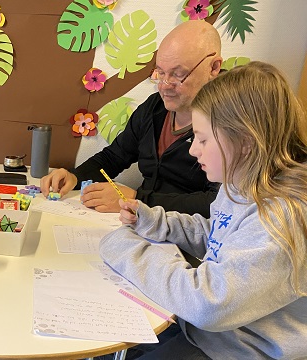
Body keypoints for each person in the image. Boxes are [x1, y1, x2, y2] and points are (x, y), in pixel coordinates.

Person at [99, 61, 307, 359]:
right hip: (208, 332)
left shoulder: (283, 215)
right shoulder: (240, 182)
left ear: (245, 141)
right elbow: (219, 234)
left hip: (241, 349)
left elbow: (209, 303)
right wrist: (157, 222)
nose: (194, 149)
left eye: (203, 139)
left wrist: (124, 249)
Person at [41, 20, 222, 217]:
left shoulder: (231, 122)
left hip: (186, 237)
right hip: (143, 224)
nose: (164, 85)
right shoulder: (155, 108)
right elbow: (115, 156)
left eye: (178, 75)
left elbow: (217, 203)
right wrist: (74, 177)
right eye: (160, 73)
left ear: (213, 67)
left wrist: (138, 199)